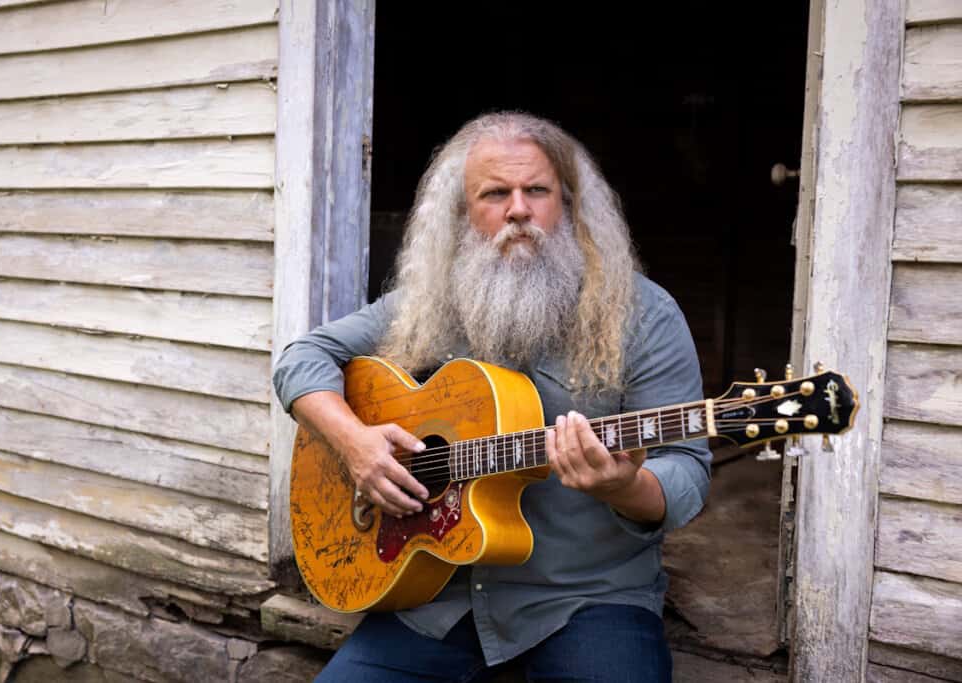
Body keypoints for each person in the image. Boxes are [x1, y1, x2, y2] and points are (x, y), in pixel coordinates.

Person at [273, 111, 711, 682]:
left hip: (585, 599)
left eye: (537, 190)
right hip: (439, 594)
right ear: (462, 214)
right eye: (495, 193)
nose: (519, 210)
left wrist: (627, 487)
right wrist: (355, 443)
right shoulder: (430, 303)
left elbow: (689, 471)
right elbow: (301, 358)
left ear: (570, 205)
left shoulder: (645, 317)